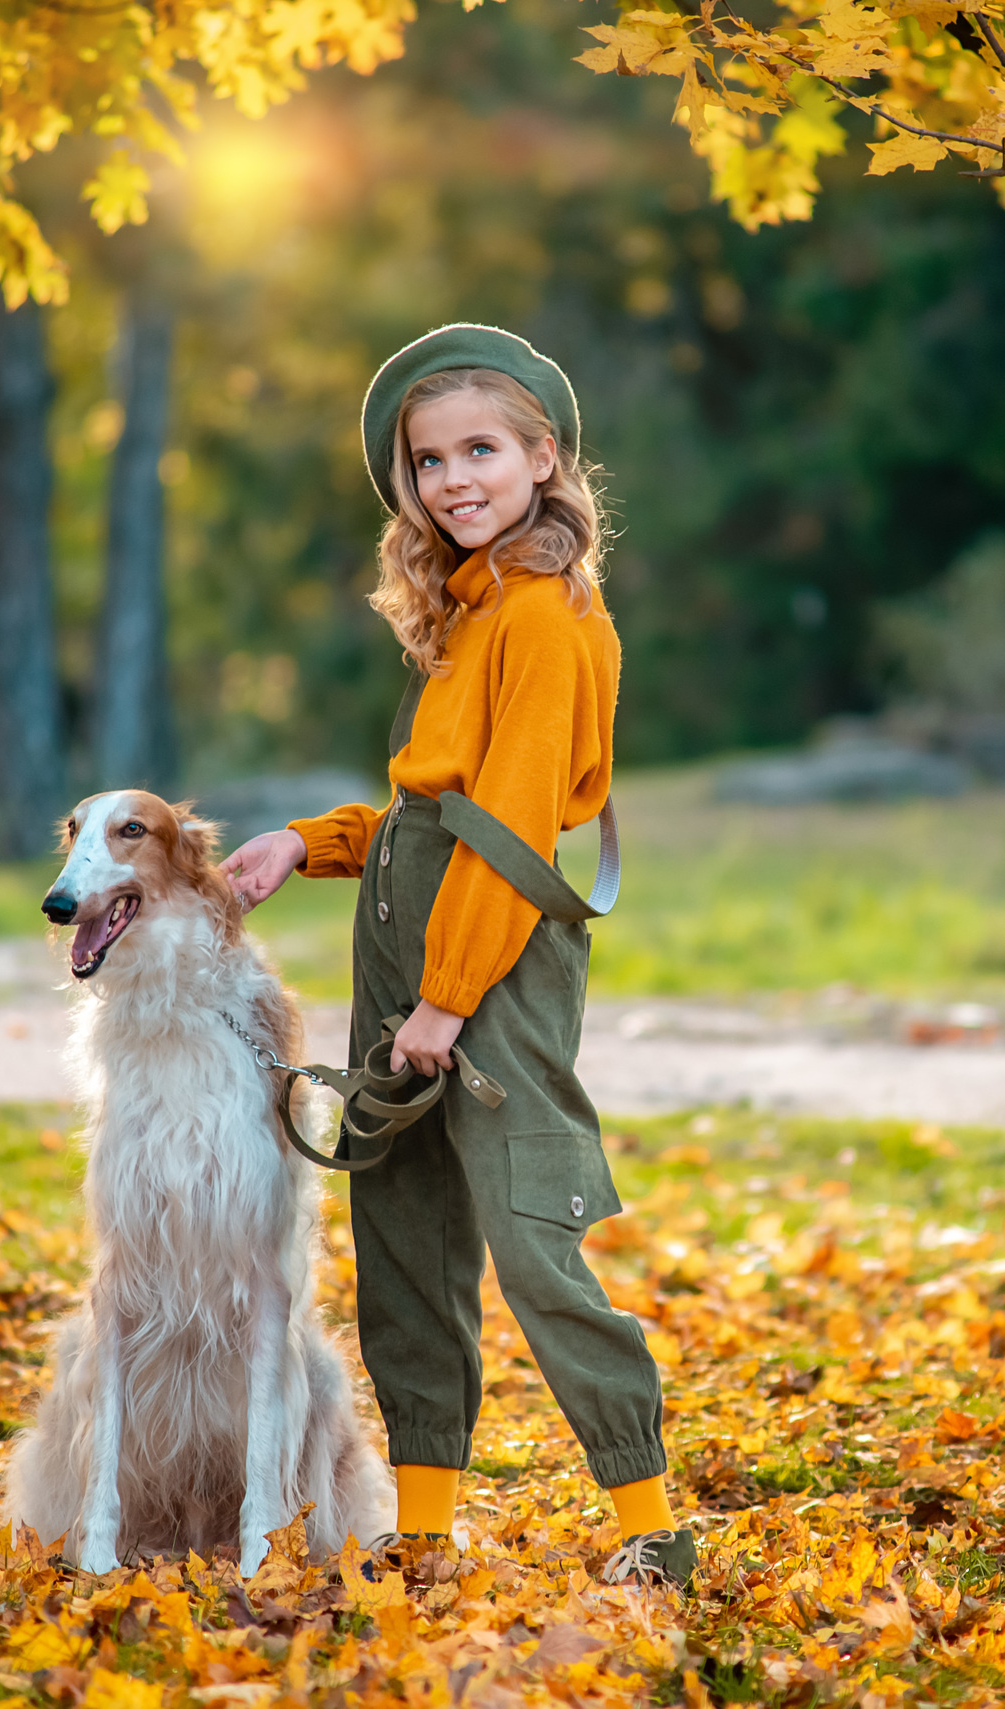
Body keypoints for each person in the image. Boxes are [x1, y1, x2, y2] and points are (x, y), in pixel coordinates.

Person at [222, 325, 693, 1591]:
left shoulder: (545, 619)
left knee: (534, 1238)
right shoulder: (468, 615)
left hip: (483, 972)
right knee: (408, 1239)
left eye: (479, 449)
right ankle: (424, 1528)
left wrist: (441, 1003)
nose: (452, 480)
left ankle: (651, 1519)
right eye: (427, 461)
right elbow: (423, 816)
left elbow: (502, 831)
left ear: (544, 456)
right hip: (416, 959)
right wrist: (299, 844)